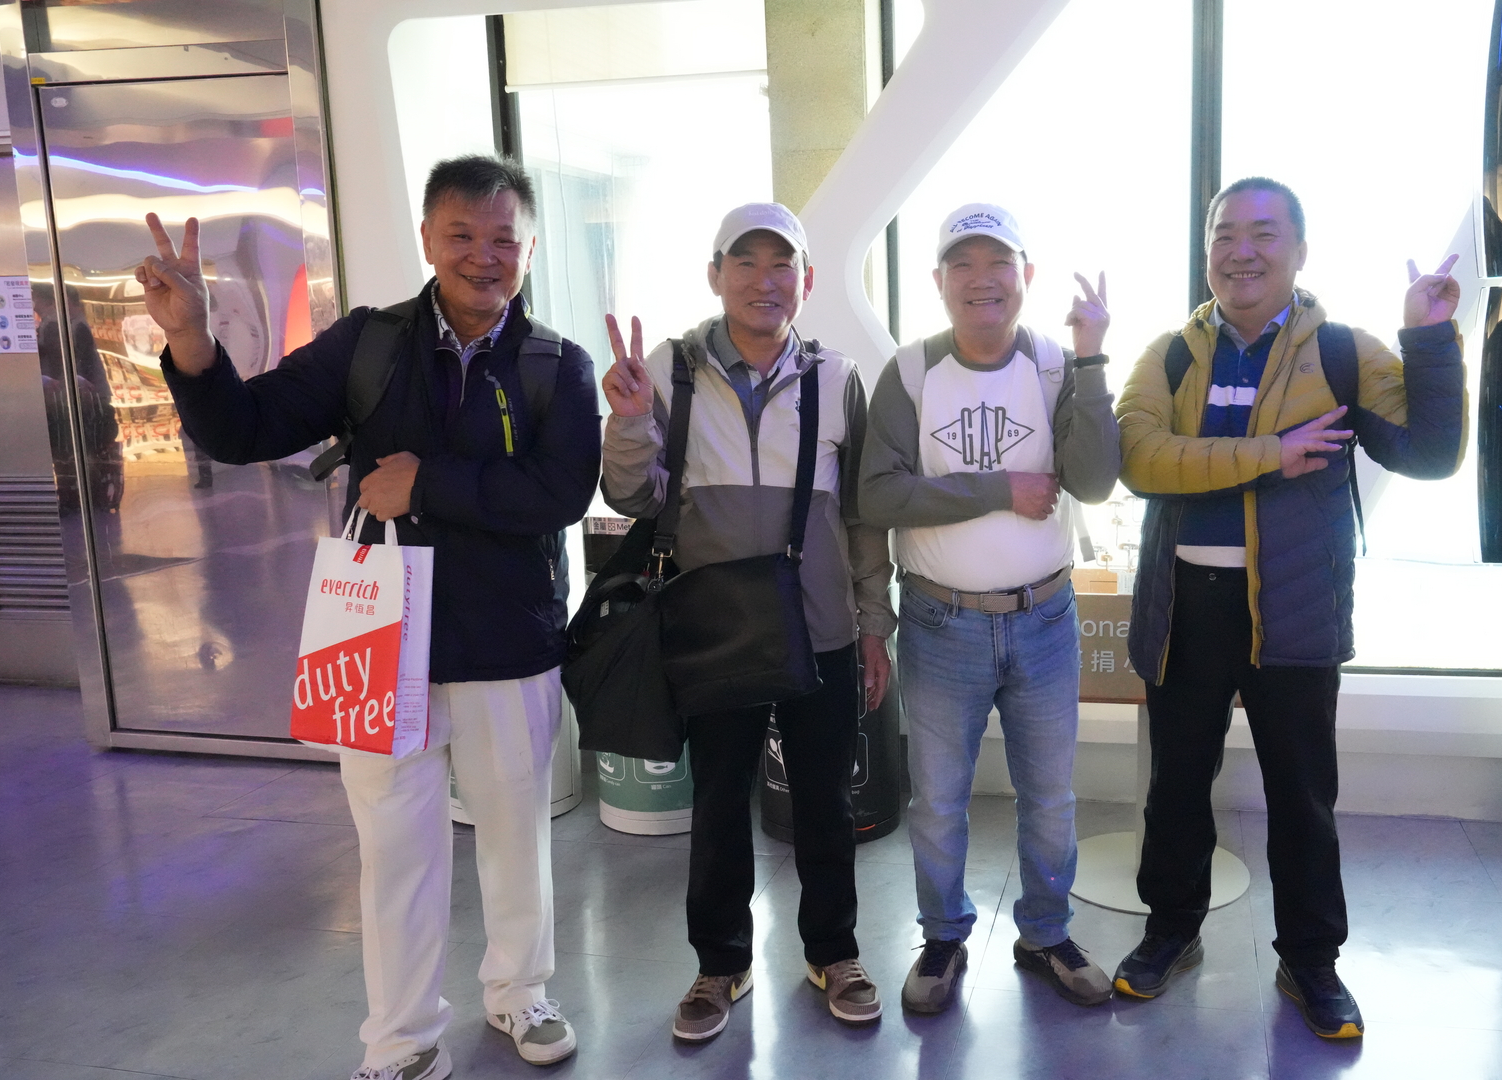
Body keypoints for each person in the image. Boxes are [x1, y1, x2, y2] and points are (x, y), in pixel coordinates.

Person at [137, 155, 601, 1080]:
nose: (483, 256)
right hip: (378, 634)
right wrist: (192, 339)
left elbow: (561, 493)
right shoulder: (370, 344)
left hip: (509, 639)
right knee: (393, 849)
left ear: (529, 249)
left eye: (503, 239)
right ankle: (403, 1040)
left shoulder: (556, 363)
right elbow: (244, 428)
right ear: (427, 239)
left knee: (516, 834)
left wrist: (426, 483)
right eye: (462, 235)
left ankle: (519, 991)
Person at [1111, 177, 1466, 1038]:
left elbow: (1430, 453)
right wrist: (1272, 452)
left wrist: (1428, 337)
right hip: (1184, 609)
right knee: (1176, 785)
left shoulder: (1343, 353)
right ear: (1207, 251)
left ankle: (1312, 961)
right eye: (1225, 233)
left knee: (1303, 796)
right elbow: (1142, 461)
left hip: (1297, 605)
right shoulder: (1170, 354)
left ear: (1300, 250)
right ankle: (1170, 930)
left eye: (1264, 233)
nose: (1242, 251)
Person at [598, 202, 896, 1041]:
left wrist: (874, 624)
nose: (765, 280)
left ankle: (834, 952)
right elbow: (631, 496)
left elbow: (862, 517)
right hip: (715, 625)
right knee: (721, 799)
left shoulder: (837, 378)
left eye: (782, 264)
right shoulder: (670, 370)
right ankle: (720, 963)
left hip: (821, 625)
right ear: (715, 274)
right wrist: (628, 421)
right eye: (746, 262)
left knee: (826, 801)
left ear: (807, 279)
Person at [857, 203, 1121, 1012]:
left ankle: (1045, 933)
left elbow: (1094, 481)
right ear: (939, 282)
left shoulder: (1054, 366)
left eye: (998, 263)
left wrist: (1092, 359)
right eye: (963, 265)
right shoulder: (909, 373)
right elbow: (876, 495)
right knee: (938, 801)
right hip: (941, 624)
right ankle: (943, 938)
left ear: (1025, 276)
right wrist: (1000, 488)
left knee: (1051, 798)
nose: (982, 280)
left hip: (1044, 620)